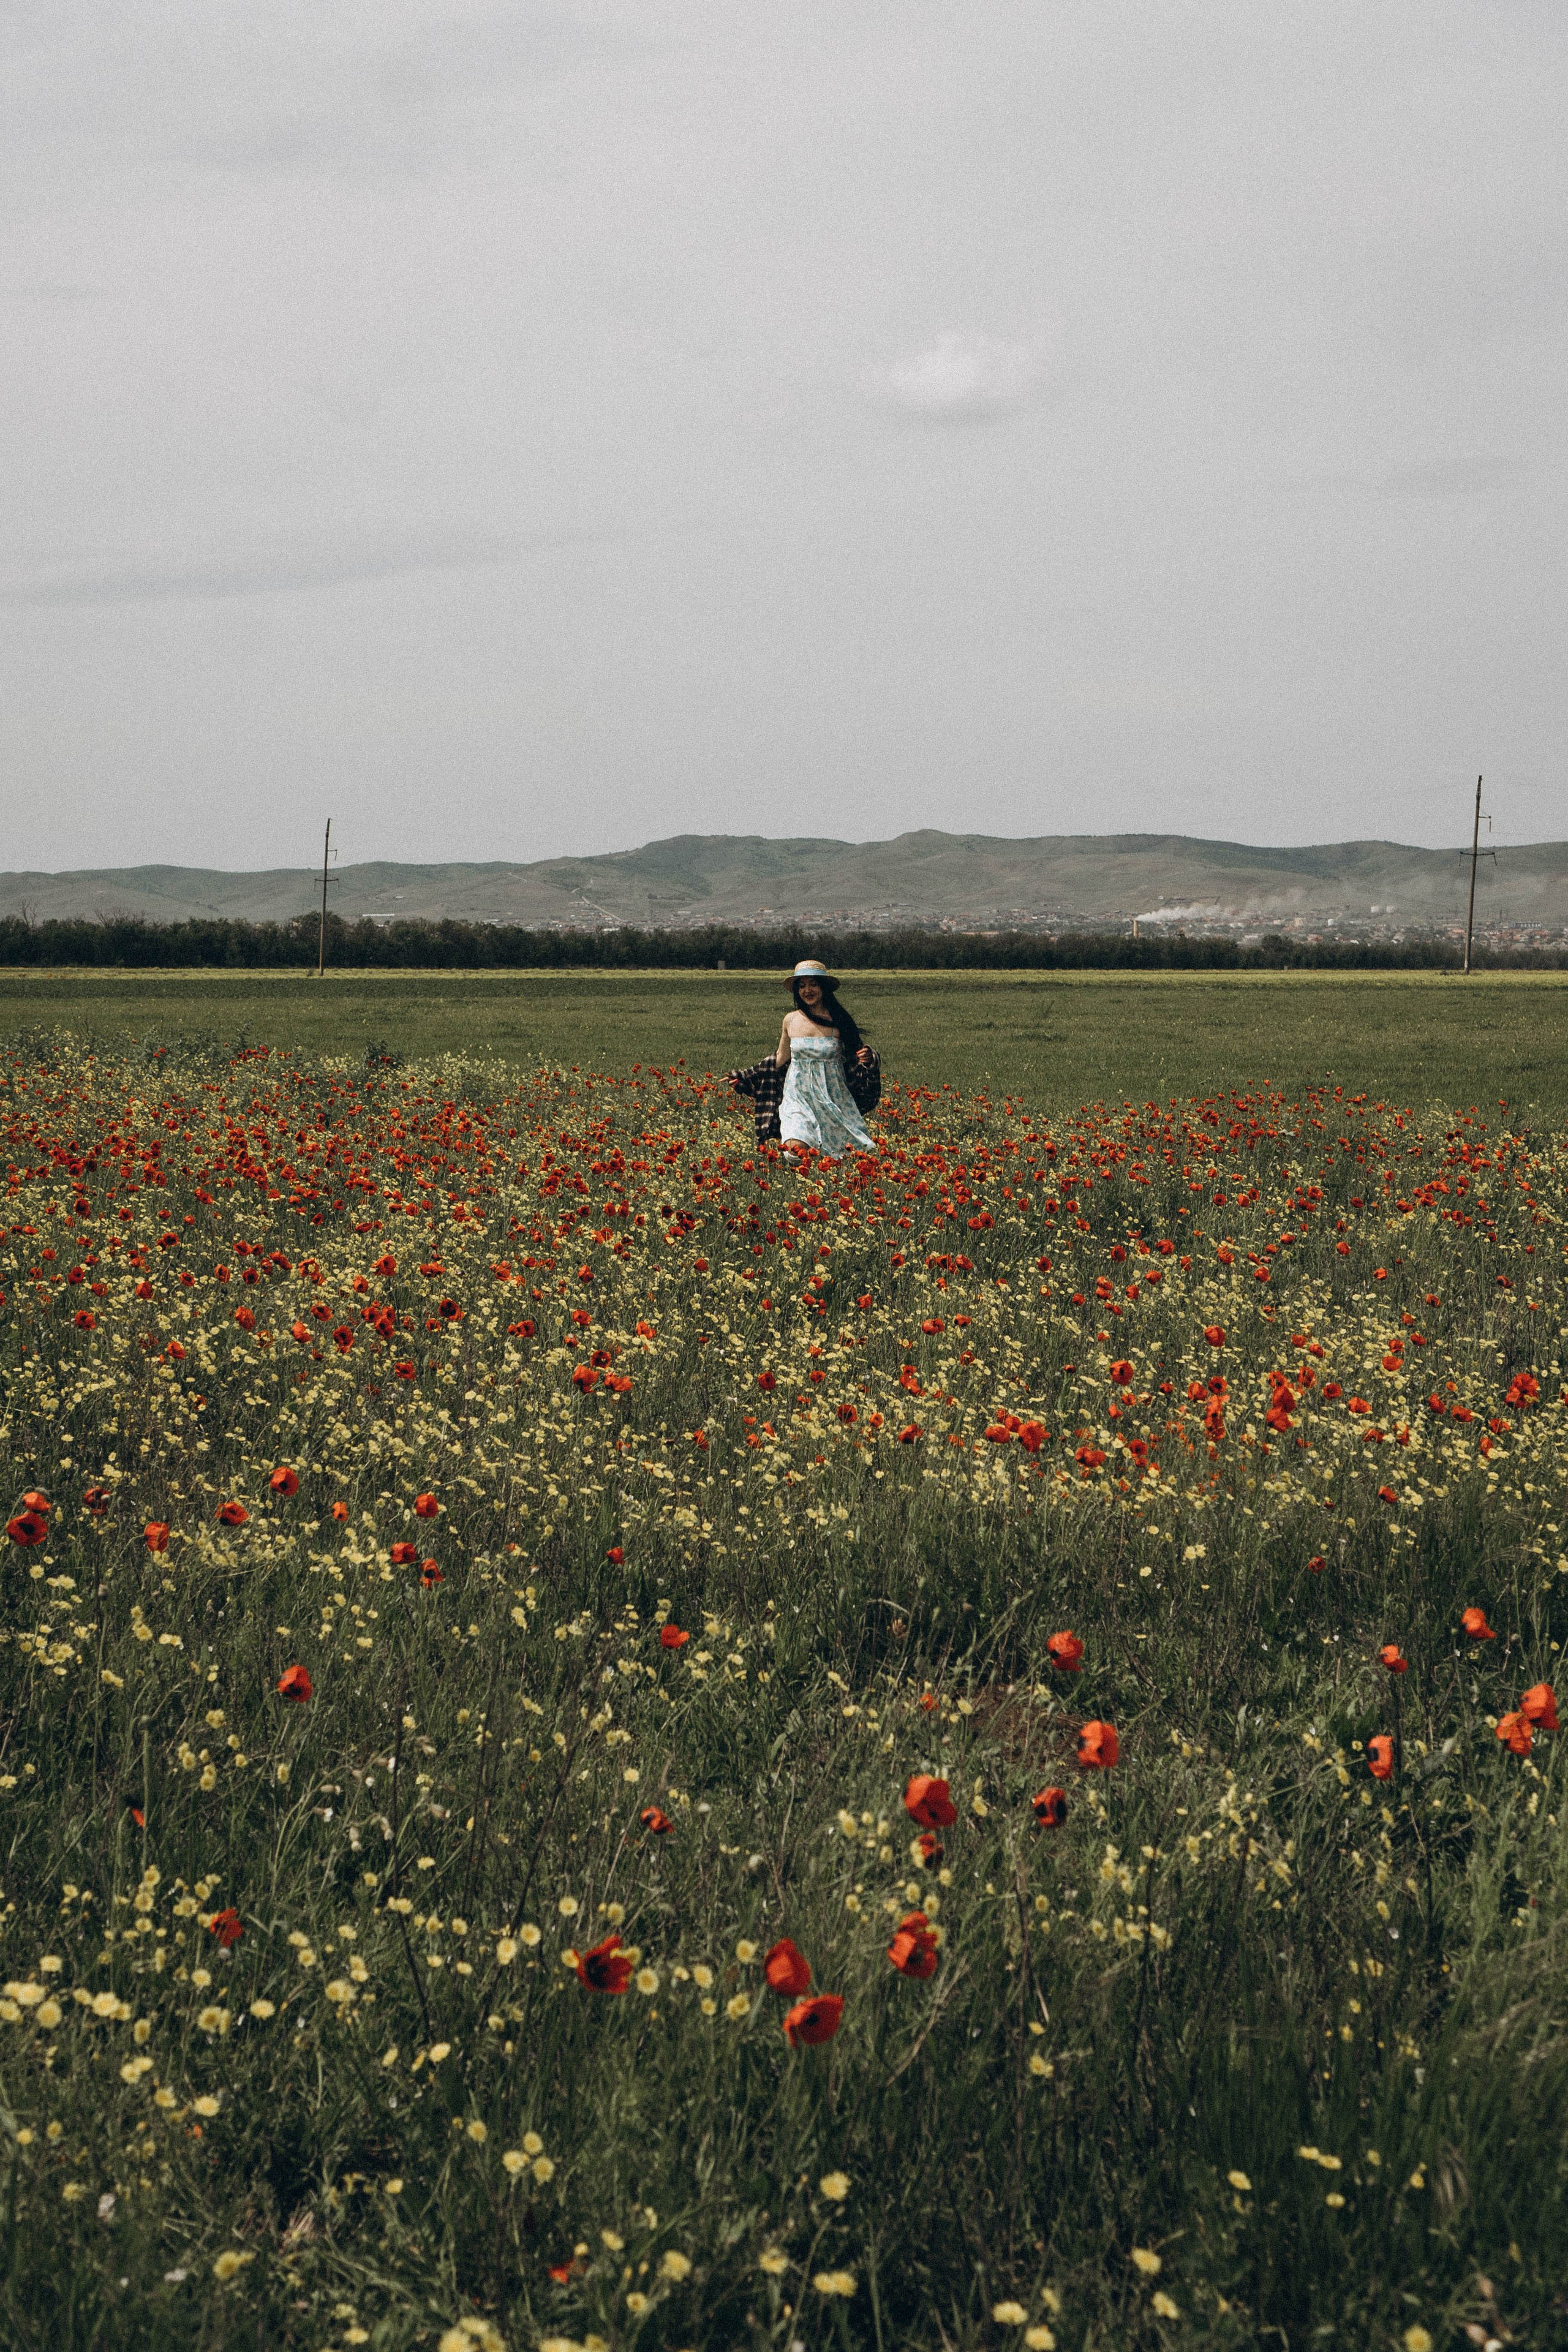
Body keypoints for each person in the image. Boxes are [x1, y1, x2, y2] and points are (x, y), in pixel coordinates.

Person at [728, 961, 881, 1154]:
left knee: (842, 1153)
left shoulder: (839, 1020)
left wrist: (869, 1057)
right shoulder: (791, 1019)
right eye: (801, 986)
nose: (807, 990)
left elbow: (859, 1056)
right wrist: (746, 1075)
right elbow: (780, 1058)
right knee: (795, 1148)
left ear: (823, 987)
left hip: (832, 1096)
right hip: (798, 1095)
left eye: (813, 984)